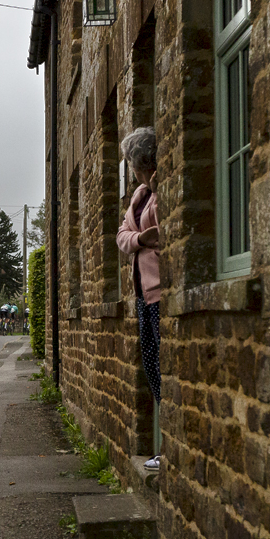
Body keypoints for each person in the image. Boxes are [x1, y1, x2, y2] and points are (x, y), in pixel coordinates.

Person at [116, 126, 163, 471]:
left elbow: (163, 231)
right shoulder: (139, 195)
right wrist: (138, 240)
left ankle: (165, 446)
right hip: (142, 294)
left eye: (130, 161)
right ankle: (163, 446)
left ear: (138, 161)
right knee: (150, 365)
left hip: (158, 290)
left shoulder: (160, 189)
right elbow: (122, 234)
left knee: (161, 365)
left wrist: (146, 238)